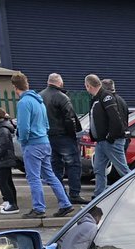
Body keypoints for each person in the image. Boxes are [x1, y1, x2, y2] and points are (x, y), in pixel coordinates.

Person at [13, 71, 72, 218]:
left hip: (32, 144)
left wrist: (23, 140)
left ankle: (39, 208)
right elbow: (46, 125)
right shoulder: (39, 101)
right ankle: (65, 203)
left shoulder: (24, 103)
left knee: (33, 178)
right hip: (44, 142)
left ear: (15, 87)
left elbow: (24, 127)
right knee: (50, 175)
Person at [41, 73, 87, 205]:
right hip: (63, 136)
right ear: (60, 83)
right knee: (73, 164)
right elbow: (70, 117)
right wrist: (73, 133)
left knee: (55, 166)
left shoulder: (40, 96)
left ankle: (61, 195)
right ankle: (74, 194)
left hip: (48, 136)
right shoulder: (62, 97)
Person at [85, 73, 130, 199]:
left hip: (110, 141)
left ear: (88, 86)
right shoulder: (98, 99)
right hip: (102, 141)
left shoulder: (106, 98)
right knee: (99, 169)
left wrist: (110, 137)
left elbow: (116, 120)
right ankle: (99, 195)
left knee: (123, 170)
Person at [0, 108, 20, 215]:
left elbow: (3, 145)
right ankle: (11, 202)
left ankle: (12, 204)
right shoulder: (1, 128)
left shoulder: (2, 129)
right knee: (7, 182)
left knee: (4, 183)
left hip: (3, 160)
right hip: (5, 159)